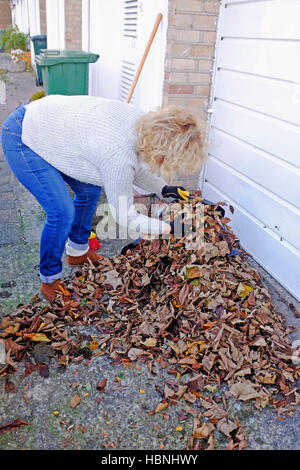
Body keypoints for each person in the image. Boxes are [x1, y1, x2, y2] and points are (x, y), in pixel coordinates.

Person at [1, 95, 205, 302]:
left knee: (89, 191)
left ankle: (78, 252)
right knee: (61, 212)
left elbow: (130, 169)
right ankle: (50, 280)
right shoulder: (117, 153)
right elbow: (125, 215)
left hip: (54, 129)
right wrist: (168, 228)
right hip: (24, 136)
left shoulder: (146, 127)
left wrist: (164, 189)